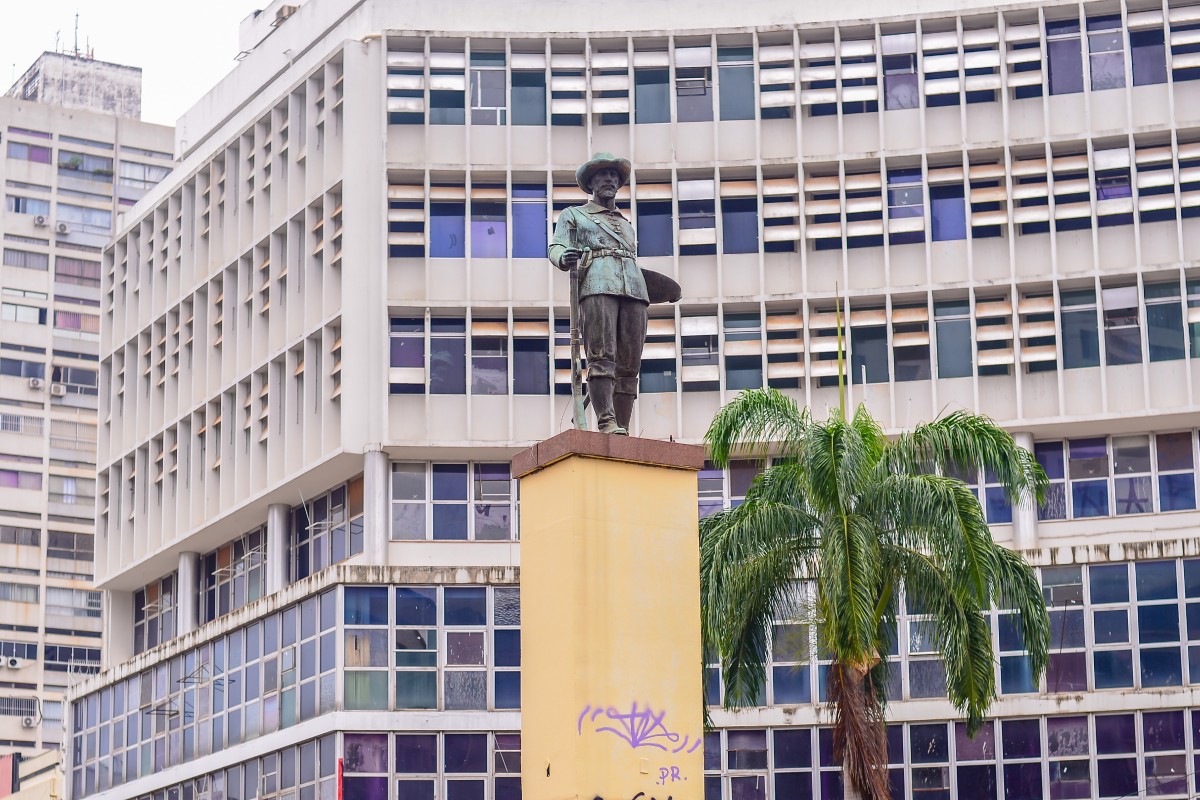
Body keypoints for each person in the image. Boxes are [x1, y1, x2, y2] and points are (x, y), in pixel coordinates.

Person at [548, 153, 648, 435]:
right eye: (603, 176)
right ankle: (606, 420)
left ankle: (623, 426)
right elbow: (556, 246)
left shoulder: (626, 225)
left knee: (630, 363)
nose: (609, 180)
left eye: (614, 176)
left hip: (635, 290)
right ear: (591, 183)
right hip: (597, 284)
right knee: (601, 355)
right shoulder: (574, 215)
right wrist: (563, 257)